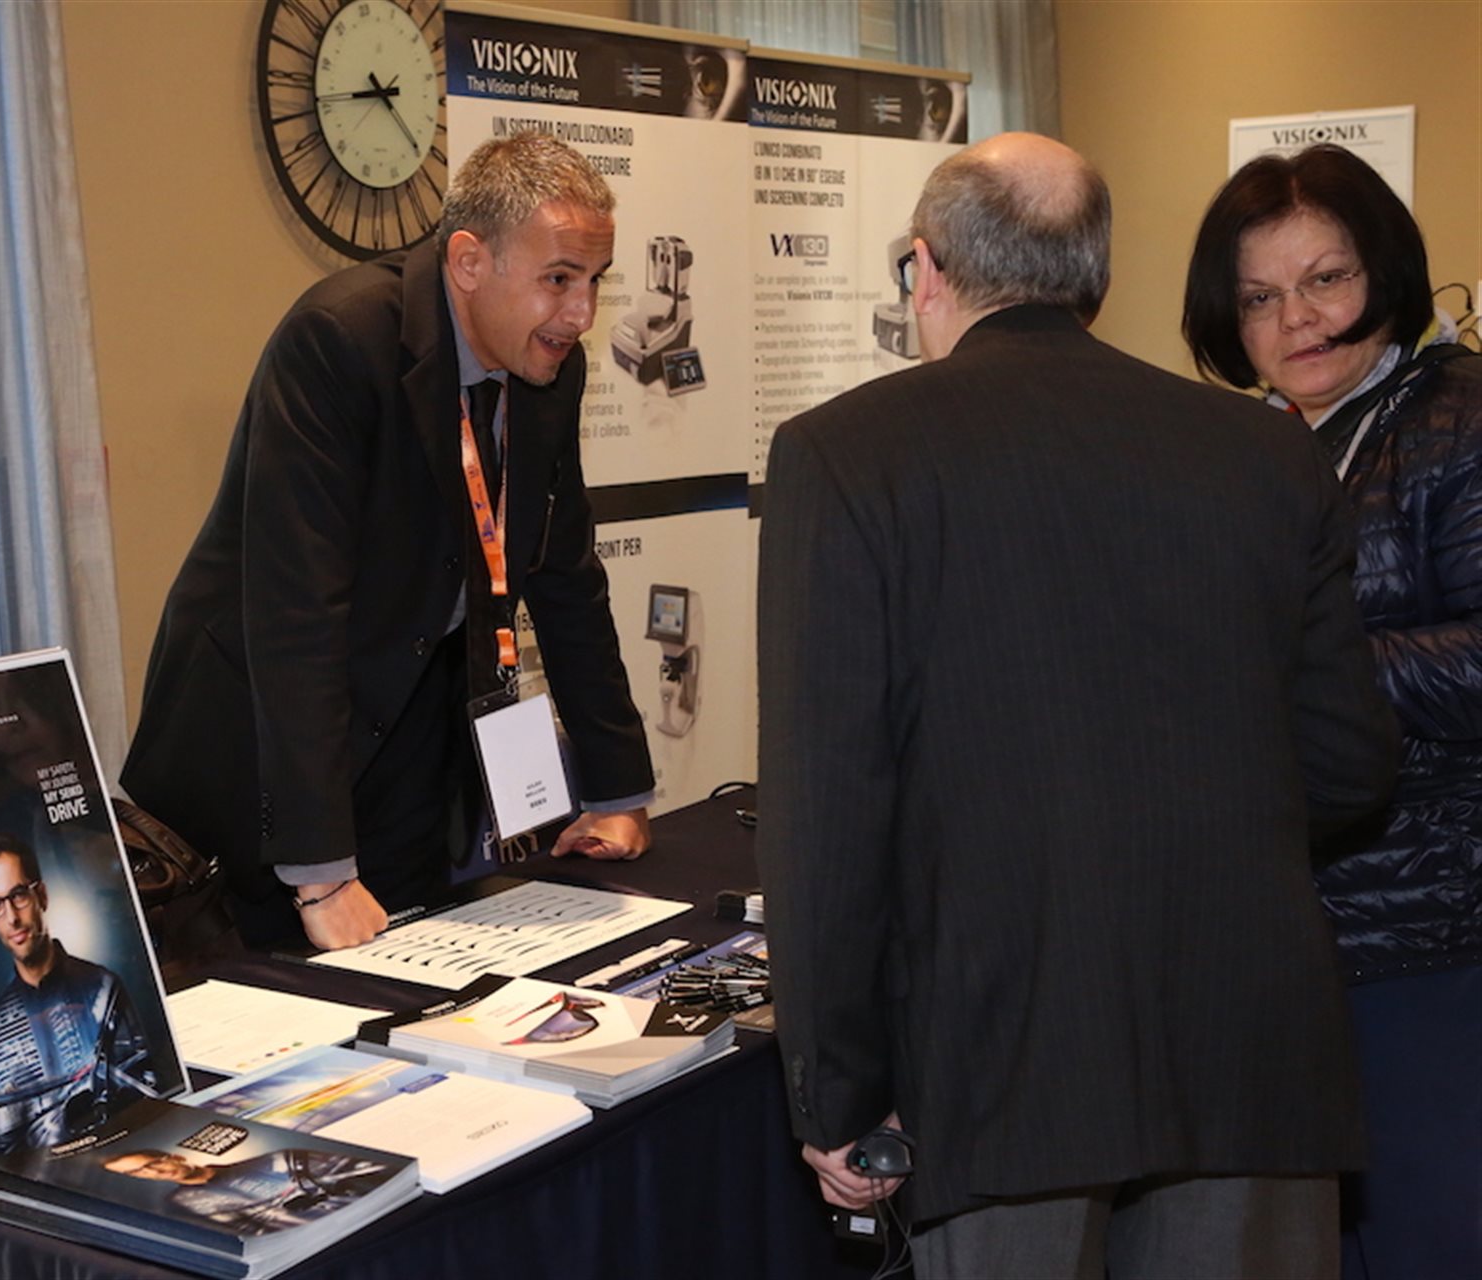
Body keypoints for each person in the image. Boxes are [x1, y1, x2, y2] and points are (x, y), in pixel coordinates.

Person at [756, 133, 1399, 1278]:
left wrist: (838, 1093)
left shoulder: (846, 454)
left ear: (926, 270)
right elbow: (1349, 762)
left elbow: (828, 813)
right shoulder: (1268, 450)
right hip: (1247, 1045)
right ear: (1093, 277)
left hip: (1001, 1068)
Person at [123, 133, 654, 952]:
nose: (581, 314)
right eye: (558, 279)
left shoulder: (551, 368)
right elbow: (295, 612)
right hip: (266, 757)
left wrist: (616, 791)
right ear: (469, 261)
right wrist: (320, 871)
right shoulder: (338, 340)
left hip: (410, 731)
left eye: (595, 281)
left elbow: (565, 574)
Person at [1183, 143, 1482, 1280]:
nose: (1296, 320)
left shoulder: (1459, 416)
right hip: (1292, 931)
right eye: (1260, 297)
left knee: (1426, 1236)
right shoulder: (1254, 446)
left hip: (1432, 927)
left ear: (1385, 272)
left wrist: (1310, 670)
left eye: (1326, 279)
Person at [0, 833, 161, 1152]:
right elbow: (6, 1147)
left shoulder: (104, 989)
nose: (12, 918)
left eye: (18, 895)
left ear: (42, 896)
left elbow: (148, 1097)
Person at [104, 1146, 397, 1233]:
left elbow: (369, 1173)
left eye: (152, 1163)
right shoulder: (181, 1205)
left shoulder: (276, 1158)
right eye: (137, 1172)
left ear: (175, 1156)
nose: (153, 1172)